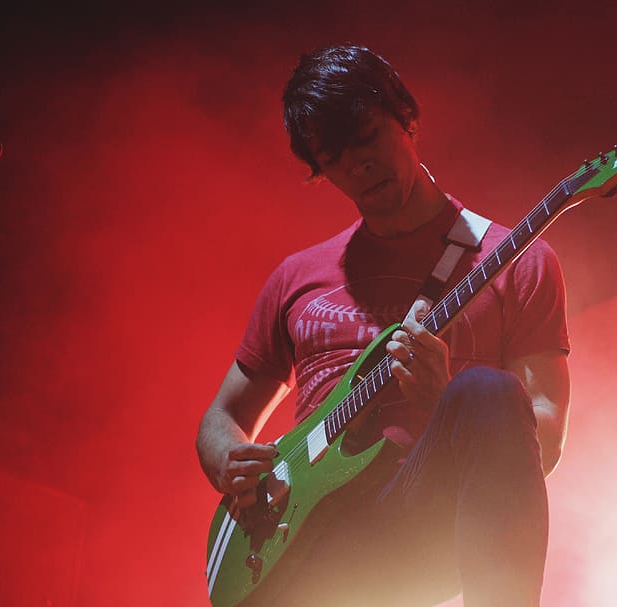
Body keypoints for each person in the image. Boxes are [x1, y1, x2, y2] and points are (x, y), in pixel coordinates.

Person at [196, 44, 571, 607]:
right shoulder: (296, 276)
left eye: (368, 137)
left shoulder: (517, 260)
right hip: (299, 534)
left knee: (487, 391)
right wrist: (230, 459)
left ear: (407, 118)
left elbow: (545, 432)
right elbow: (222, 416)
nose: (357, 165)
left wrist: (445, 400)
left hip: (418, 514)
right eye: (334, 157)